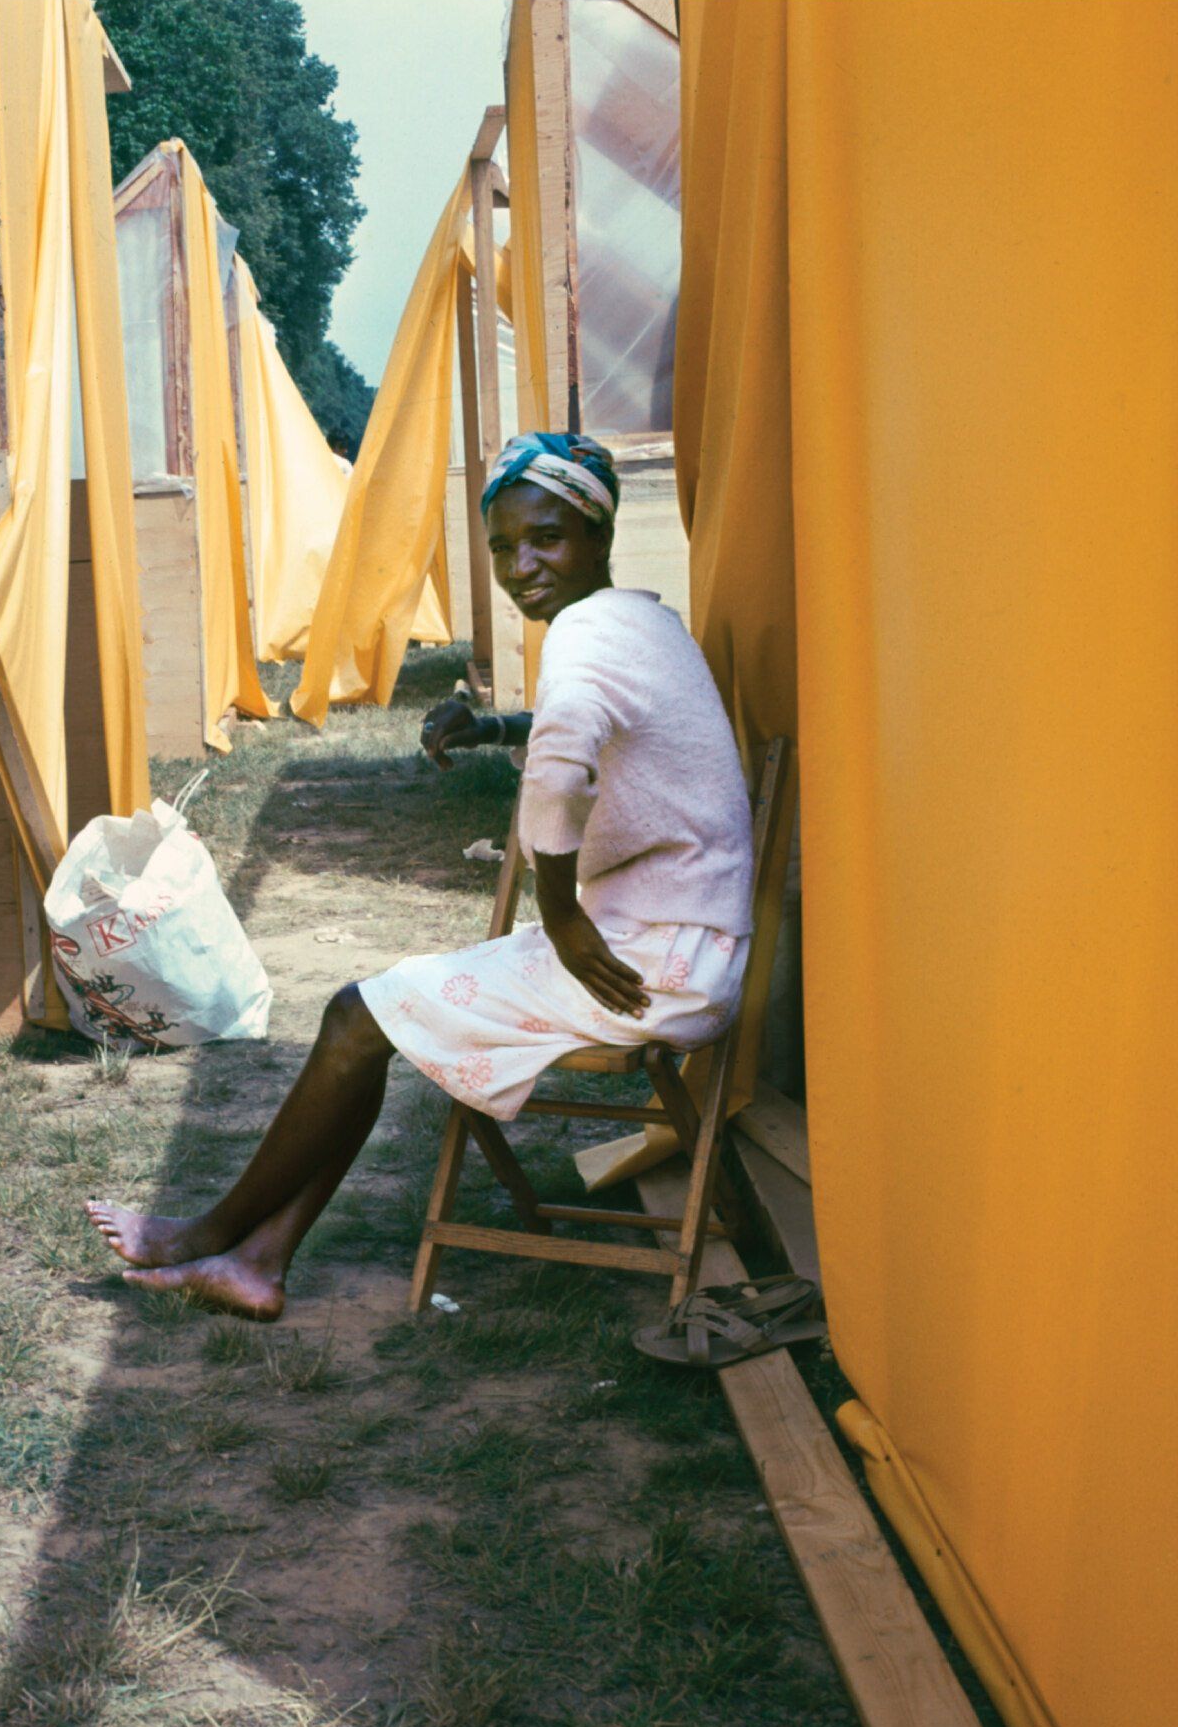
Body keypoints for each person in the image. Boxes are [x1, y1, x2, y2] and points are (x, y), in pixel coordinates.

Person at [86, 432, 754, 1320]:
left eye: (547, 538)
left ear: (599, 534)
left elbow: (563, 769)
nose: (523, 567)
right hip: (684, 947)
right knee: (370, 1018)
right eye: (504, 548)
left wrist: (560, 916)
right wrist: (496, 728)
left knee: (356, 1017)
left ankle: (203, 1235)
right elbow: (601, 725)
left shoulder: (585, 634)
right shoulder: (642, 622)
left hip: (648, 967)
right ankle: (256, 1264)